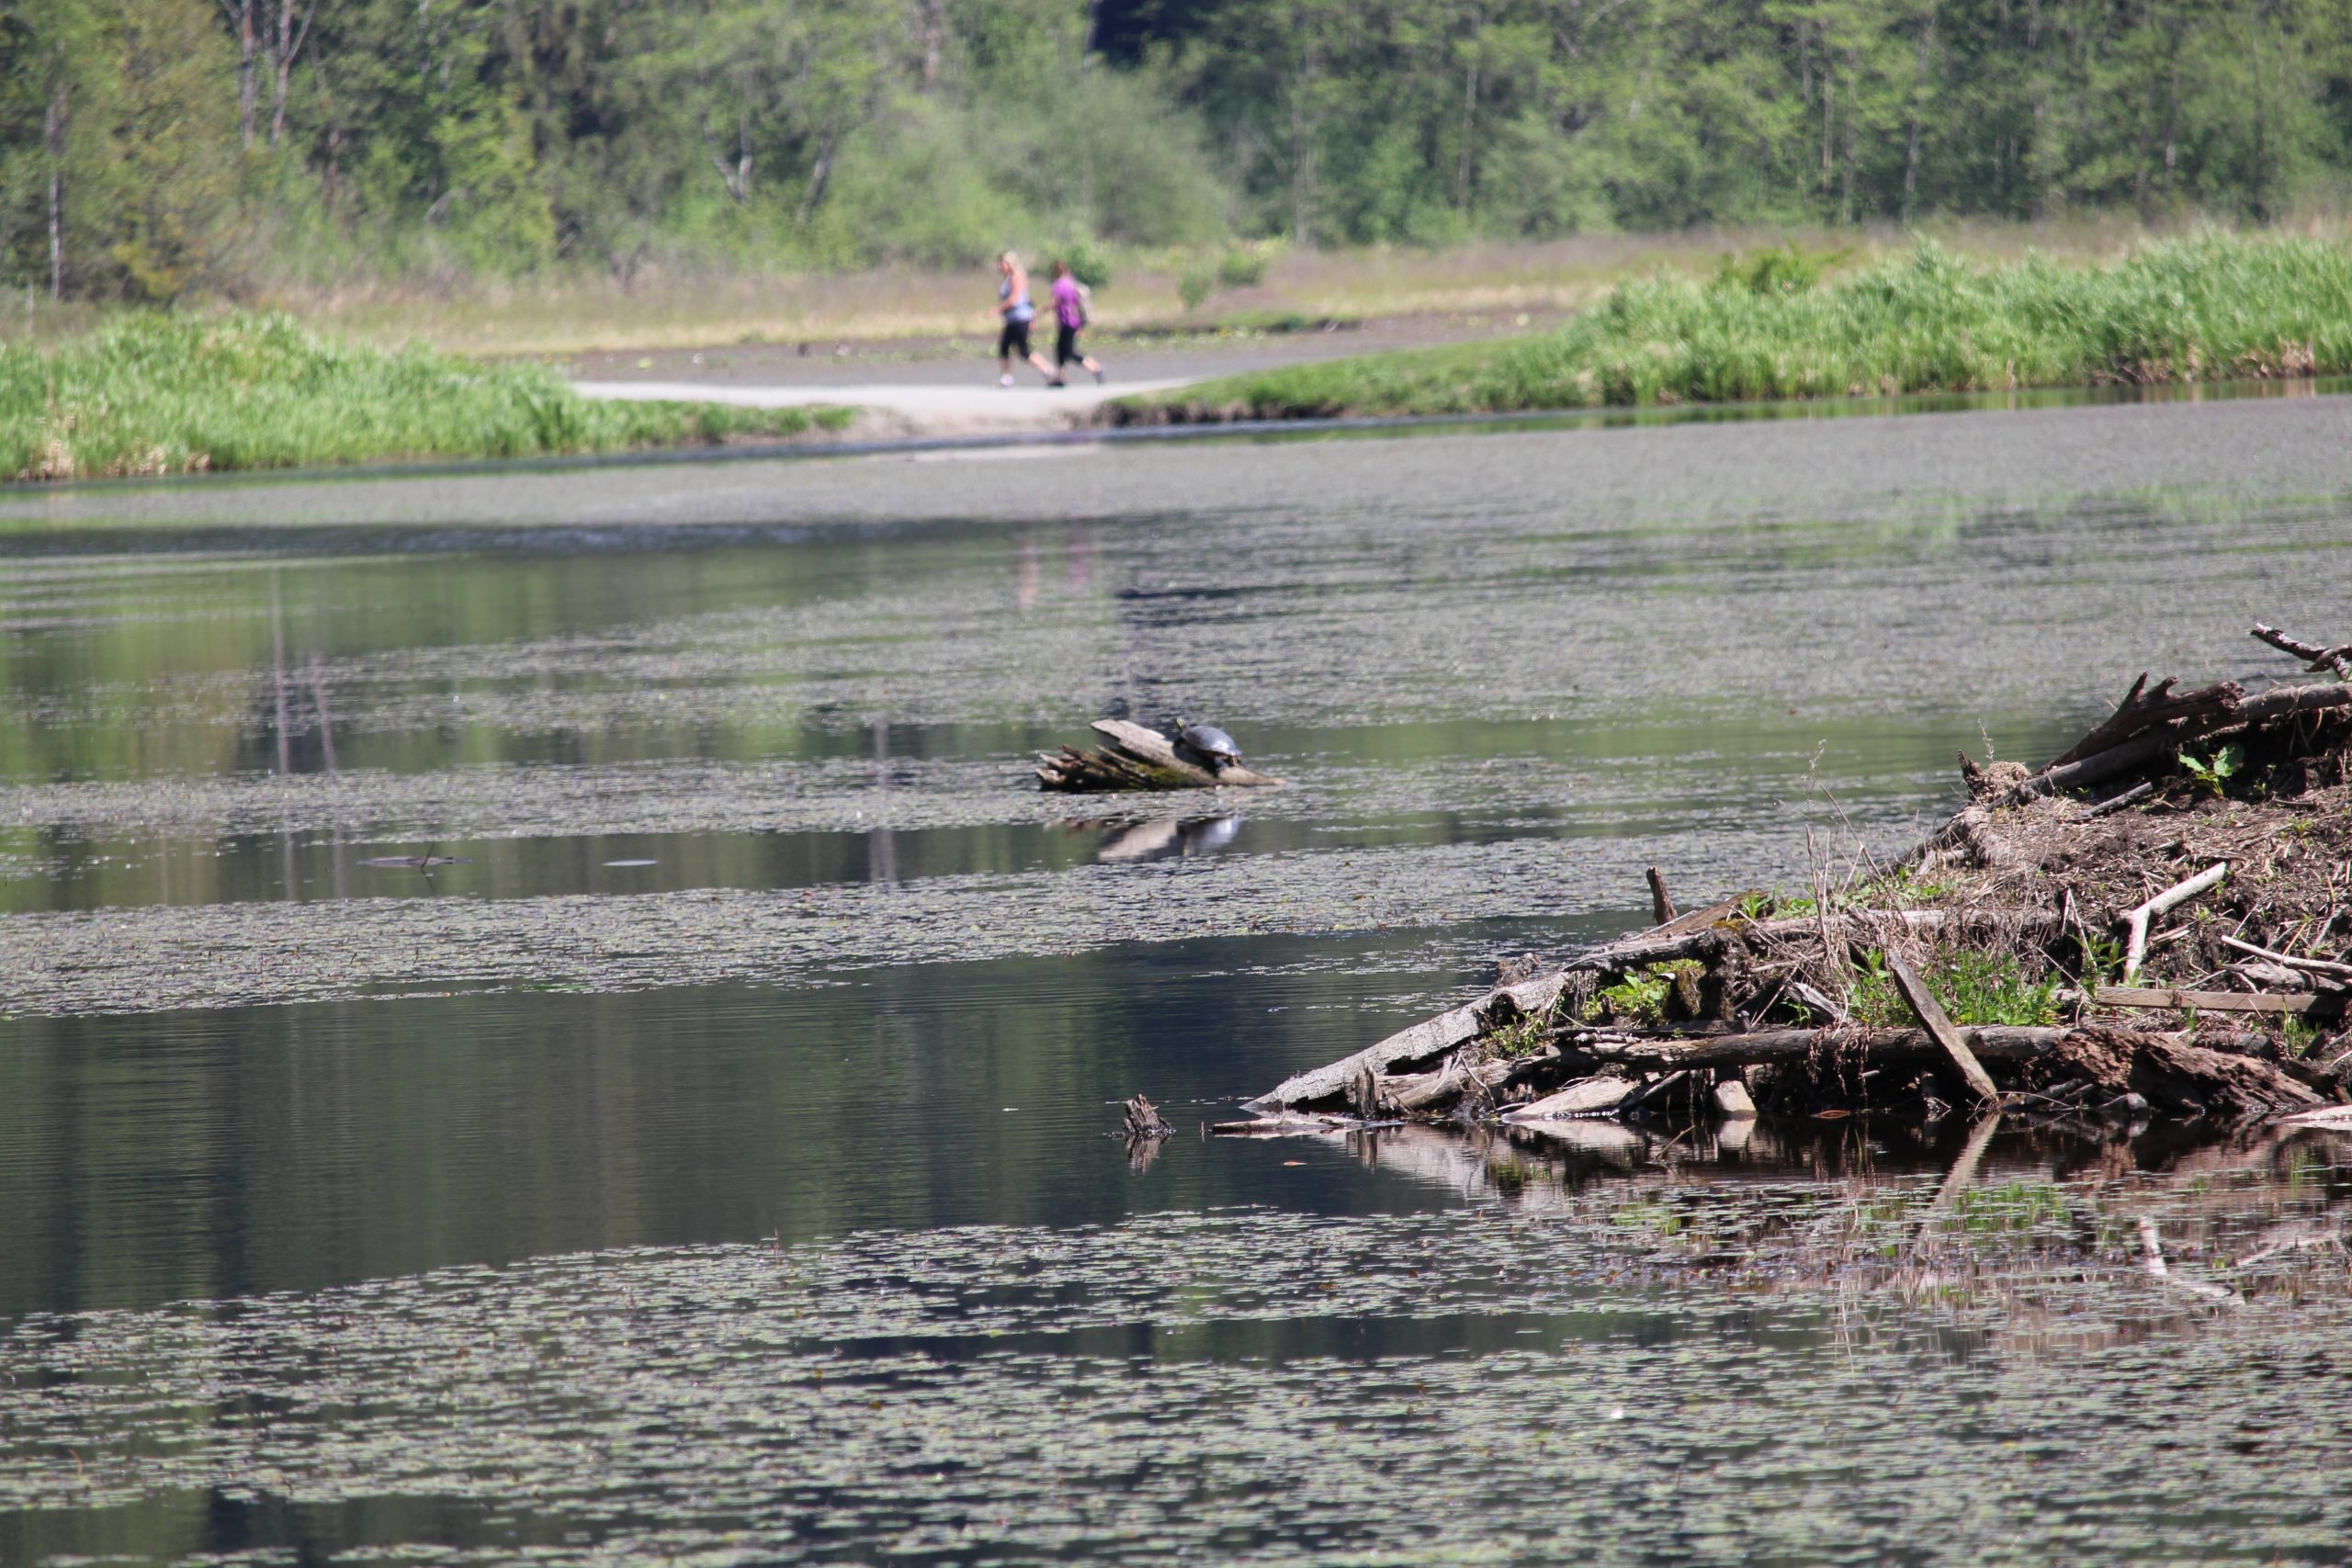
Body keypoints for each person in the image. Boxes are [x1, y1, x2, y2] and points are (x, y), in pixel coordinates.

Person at [990, 252, 1056, 387]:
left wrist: (997, 310)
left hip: (1021, 318)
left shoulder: (1017, 277)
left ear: (1009, 263)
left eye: (1002, 263)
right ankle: (1006, 377)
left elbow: (1014, 299)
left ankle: (1048, 370)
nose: (999, 266)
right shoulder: (1008, 278)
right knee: (1004, 347)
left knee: (1023, 351)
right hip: (1012, 319)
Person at [1046, 260, 1105, 387]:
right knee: (1061, 350)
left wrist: (1038, 313)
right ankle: (1060, 378)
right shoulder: (1072, 282)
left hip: (1068, 321)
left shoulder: (1060, 284)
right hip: (1073, 321)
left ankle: (1096, 368)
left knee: (1069, 352)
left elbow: (1054, 302)